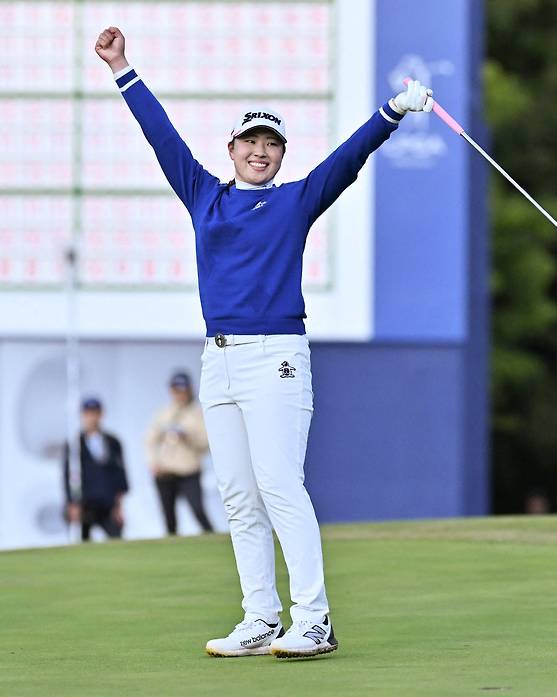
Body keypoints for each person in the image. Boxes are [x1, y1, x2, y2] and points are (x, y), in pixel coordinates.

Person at [95, 25, 433, 658]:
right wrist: (121, 67)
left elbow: (347, 159)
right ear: (232, 148)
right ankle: (260, 618)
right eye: (251, 141)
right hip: (217, 362)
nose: (260, 151)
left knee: (279, 484)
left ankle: (315, 619)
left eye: (271, 144)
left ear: (280, 156)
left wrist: (392, 110)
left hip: (275, 358)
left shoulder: (295, 201)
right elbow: (160, 135)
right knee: (237, 495)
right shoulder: (204, 196)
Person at [145, 371, 214, 535]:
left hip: (188, 471)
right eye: (177, 390)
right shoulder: (164, 413)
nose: (180, 394)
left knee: (198, 510)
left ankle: (212, 537)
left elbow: (205, 444)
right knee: (169, 518)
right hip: (165, 472)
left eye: (183, 390)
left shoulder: (198, 414)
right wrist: (153, 462)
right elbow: (150, 440)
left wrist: (188, 436)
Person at [63, 397, 129, 542]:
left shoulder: (113, 442)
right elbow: (68, 475)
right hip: (85, 504)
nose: (92, 417)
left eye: (95, 413)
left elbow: (120, 474)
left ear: (101, 414)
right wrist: (71, 503)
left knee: (116, 540)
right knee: (82, 543)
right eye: (88, 413)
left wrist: (118, 505)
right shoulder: (75, 444)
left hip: (107, 503)